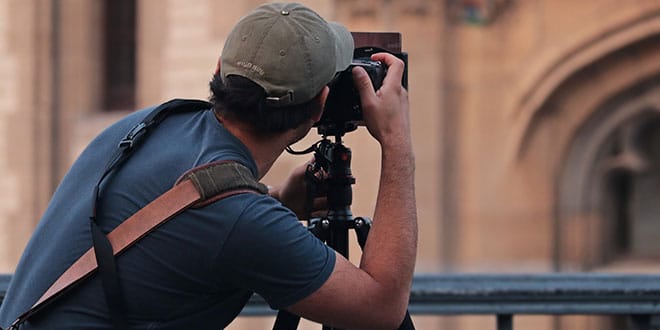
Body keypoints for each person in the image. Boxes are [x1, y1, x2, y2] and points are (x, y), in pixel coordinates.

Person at [0, 2, 416, 329]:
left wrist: (280, 204)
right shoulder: (239, 219)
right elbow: (381, 308)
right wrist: (396, 144)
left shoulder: (147, 124)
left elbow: (191, 230)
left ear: (219, 70)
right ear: (319, 107)